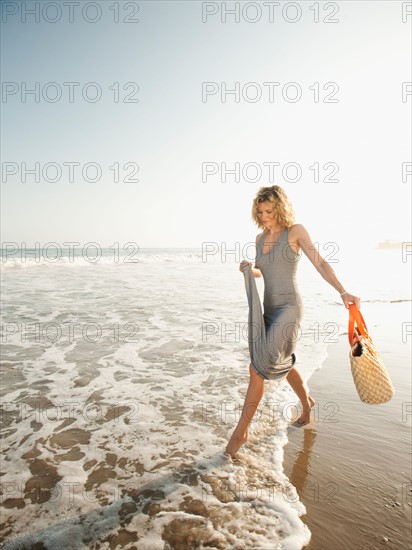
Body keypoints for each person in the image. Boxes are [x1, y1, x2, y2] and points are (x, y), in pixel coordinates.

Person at [225, 185, 360, 458]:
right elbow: (262, 272)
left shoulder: (295, 231)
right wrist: (248, 269)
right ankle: (307, 403)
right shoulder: (259, 239)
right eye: (260, 211)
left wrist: (343, 290)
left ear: (280, 208)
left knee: (258, 367)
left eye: (269, 211)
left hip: (290, 309)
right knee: (283, 362)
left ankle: (241, 431)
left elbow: (320, 263)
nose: (264, 216)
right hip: (269, 308)